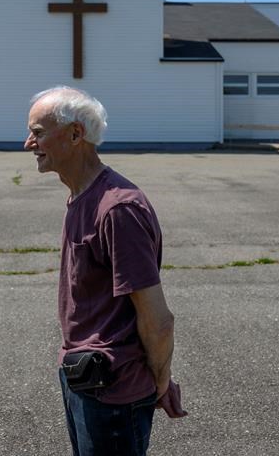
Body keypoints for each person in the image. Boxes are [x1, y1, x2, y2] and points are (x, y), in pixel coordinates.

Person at [24, 86, 187, 456]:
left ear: (75, 134)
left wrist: (160, 383)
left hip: (112, 394)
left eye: (37, 132)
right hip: (82, 376)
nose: (28, 144)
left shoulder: (117, 209)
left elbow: (158, 319)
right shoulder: (81, 195)